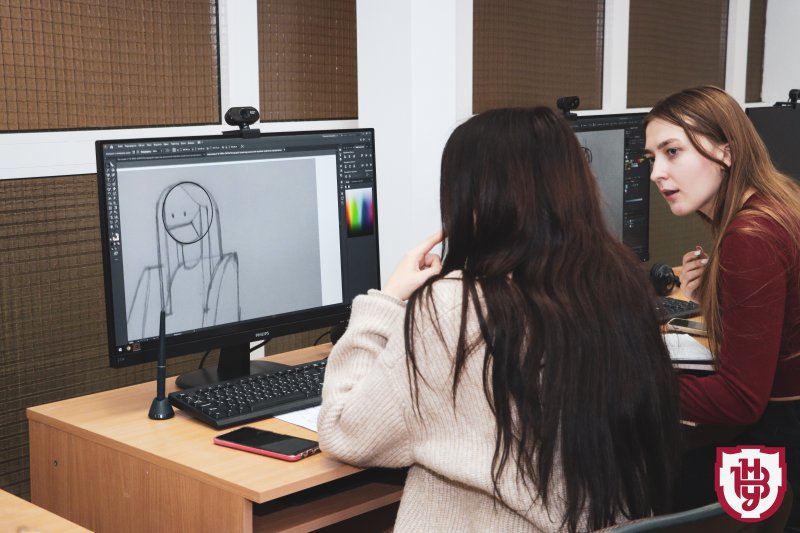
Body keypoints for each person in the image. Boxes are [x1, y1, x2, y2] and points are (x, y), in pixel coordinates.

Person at [318, 107, 682, 532]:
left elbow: (344, 431)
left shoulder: (454, 308)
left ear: (475, 198)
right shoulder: (617, 286)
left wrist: (385, 300)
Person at [644, 85, 800, 518]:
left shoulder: (750, 238)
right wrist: (714, 290)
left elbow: (740, 399)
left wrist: (632, 385)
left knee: (648, 481)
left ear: (725, 152)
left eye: (672, 152)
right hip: (783, 425)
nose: (656, 173)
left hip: (778, 443)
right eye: (652, 157)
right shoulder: (774, 204)